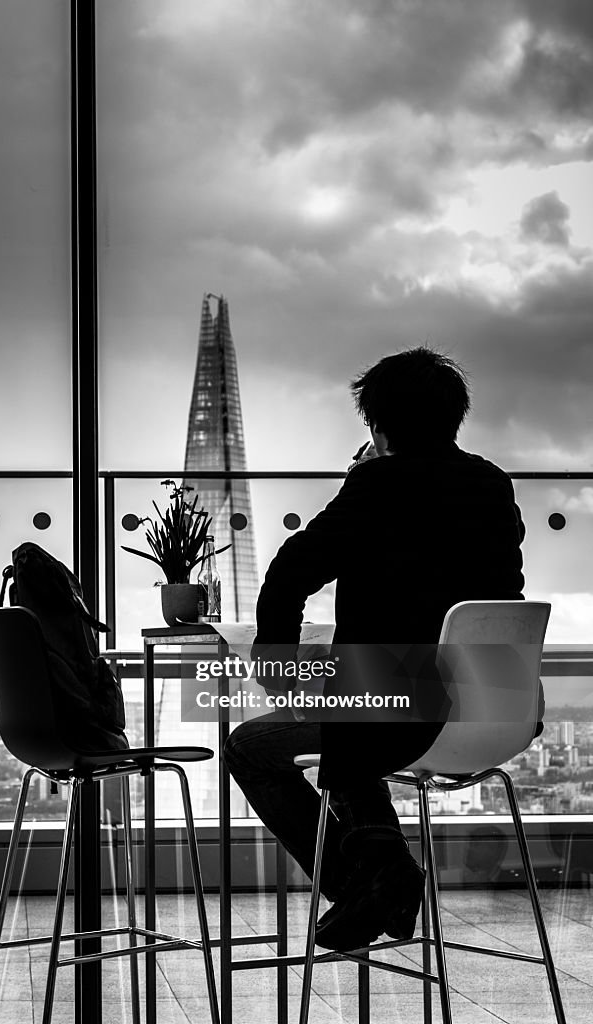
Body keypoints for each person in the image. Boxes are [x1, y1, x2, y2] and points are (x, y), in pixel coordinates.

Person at [223, 347, 529, 951]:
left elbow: (290, 572)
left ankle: (367, 879)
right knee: (355, 704)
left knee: (252, 746)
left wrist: (276, 655)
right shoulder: (493, 485)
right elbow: (506, 596)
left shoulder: (376, 487)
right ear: (453, 419)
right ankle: (376, 876)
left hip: (400, 715)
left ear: (378, 426)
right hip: (497, 705)